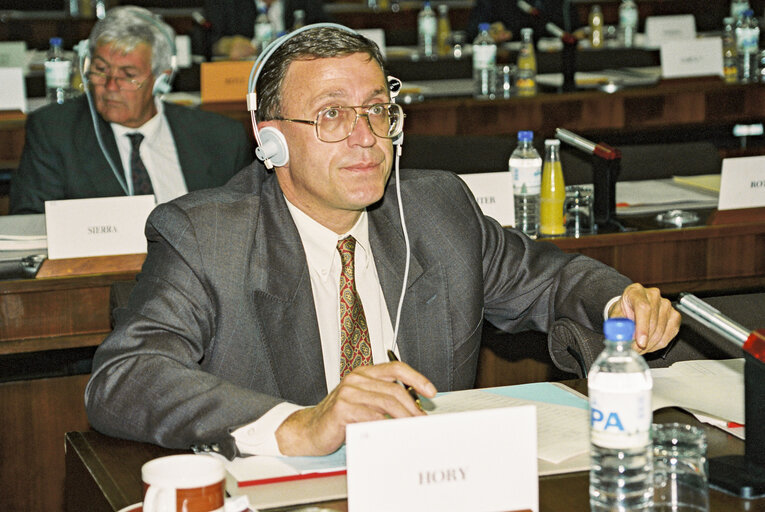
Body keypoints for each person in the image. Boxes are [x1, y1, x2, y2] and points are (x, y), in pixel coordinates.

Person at [85, 25, 680, 460]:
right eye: (332, 116)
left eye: (377, 111)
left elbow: (552, 281)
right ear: (271, 142)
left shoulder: (435, 209)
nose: (366, 138)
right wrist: (299, 425)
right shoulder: (204, 236)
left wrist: (618, 303)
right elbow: (126, 375)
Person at [10, 6, 252, 215]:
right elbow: (30, 224)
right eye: (101, 69)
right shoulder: (54, 132)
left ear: (161, 80)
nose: (110, 86)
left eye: (128, 76)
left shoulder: (222, 138)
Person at [206, 0, 330, 59]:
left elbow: (330, 30)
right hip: (243, 78)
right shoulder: (225, 4)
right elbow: (206, 40)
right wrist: (225, 46)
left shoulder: (306, 3)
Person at [466, 0, 577, 42]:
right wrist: (491, 32)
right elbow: (472, 31)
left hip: (551, 61)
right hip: (504, 60)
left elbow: (572, 29)